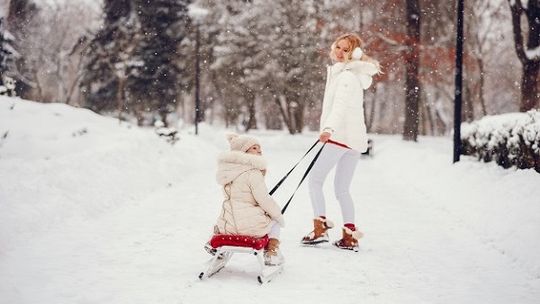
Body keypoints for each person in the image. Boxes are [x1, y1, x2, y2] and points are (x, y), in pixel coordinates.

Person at [301, 33, 380, 250]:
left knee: (315, 181)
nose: (339, 52)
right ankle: (349, 235)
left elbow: (340, 107)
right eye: (338, 47)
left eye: (346, 50)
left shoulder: (345, 76)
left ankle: (320, 229)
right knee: (342, 189)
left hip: (339, 137)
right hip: (353, 141)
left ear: (354, 54)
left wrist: (328, 128)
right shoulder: (350, 75)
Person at [210, 133, 285, 265]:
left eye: (259, 147)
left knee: (224, 216)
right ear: (243, 152)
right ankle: (271, 252)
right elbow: (264, 200)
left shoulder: (227, 173)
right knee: (276, 220)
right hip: (252, 229)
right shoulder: (253, 173)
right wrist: (278, 215)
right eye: (254, 148)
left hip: (227, 228)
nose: (260, 150)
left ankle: (214, 247)